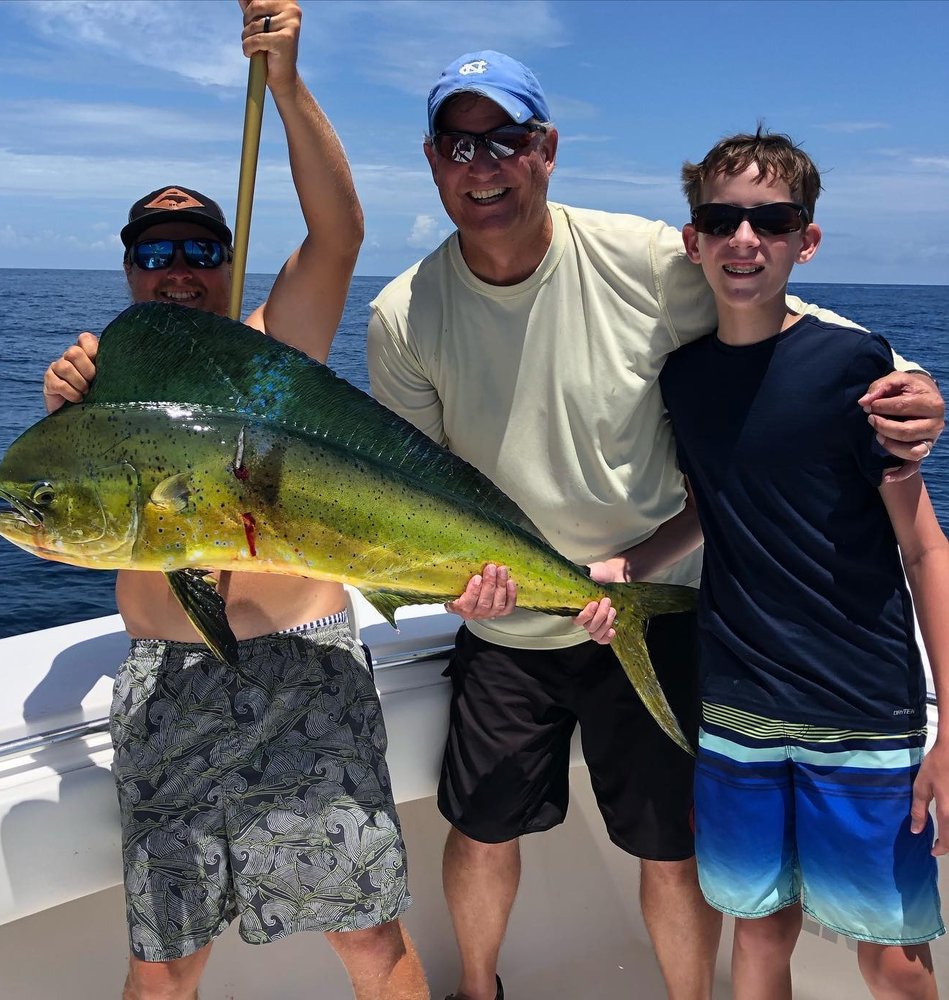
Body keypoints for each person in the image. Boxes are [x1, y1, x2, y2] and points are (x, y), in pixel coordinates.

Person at [366, 51, 945, 1000]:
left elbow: (777, 317)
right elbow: (417, 489)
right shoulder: (401, 315)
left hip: (663, 606)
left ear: (544, 150)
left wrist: (913, 381)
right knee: (480, 829)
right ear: (433, 161)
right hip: (509, 618)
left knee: (672, 849)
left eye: (506, 139)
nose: (484, 164)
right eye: (460, 145)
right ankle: (479, 992)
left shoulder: (641, 257)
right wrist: (449, 577)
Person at [42, 4, 427, 999]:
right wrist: (62, 422)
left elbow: (339, 232)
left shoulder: (271, 355)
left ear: (226, 266)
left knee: (368, 937)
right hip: (166, 682)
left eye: (201, 252)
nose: (179, 271)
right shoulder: (101, 383)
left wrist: (287, 85)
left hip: (301, 672)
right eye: (157, 252)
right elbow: (48, 531)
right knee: (163, 956)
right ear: (131, 265)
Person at [586, 128, 948, 999]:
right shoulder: (683, 378)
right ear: (693, 240)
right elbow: (714, 506)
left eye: (771, 220)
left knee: (889, 955)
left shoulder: (855, 367)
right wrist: (628, 566)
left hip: (863, 709)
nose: (744, 240)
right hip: (737, 709)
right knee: (755, 934)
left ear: (804, 240)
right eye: (721, 219)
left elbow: (923, 544)